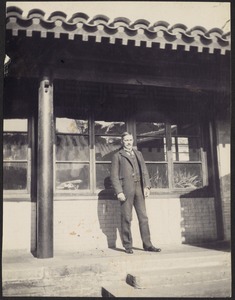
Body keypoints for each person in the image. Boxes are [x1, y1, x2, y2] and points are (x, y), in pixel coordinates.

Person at [110, 132, 161, 254]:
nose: (128, 142)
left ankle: (148, 245)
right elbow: (114, 177)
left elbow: (144, 171)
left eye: (130, 140)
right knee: (127, 218)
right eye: (126, 140)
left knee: (143, 218)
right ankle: (128, 246)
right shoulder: (117, 156)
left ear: (133, 140)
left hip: (139, 189)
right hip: (126, 190)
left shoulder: (138, 154)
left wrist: (147, 186)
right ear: (122, 142)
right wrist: (119, 192)